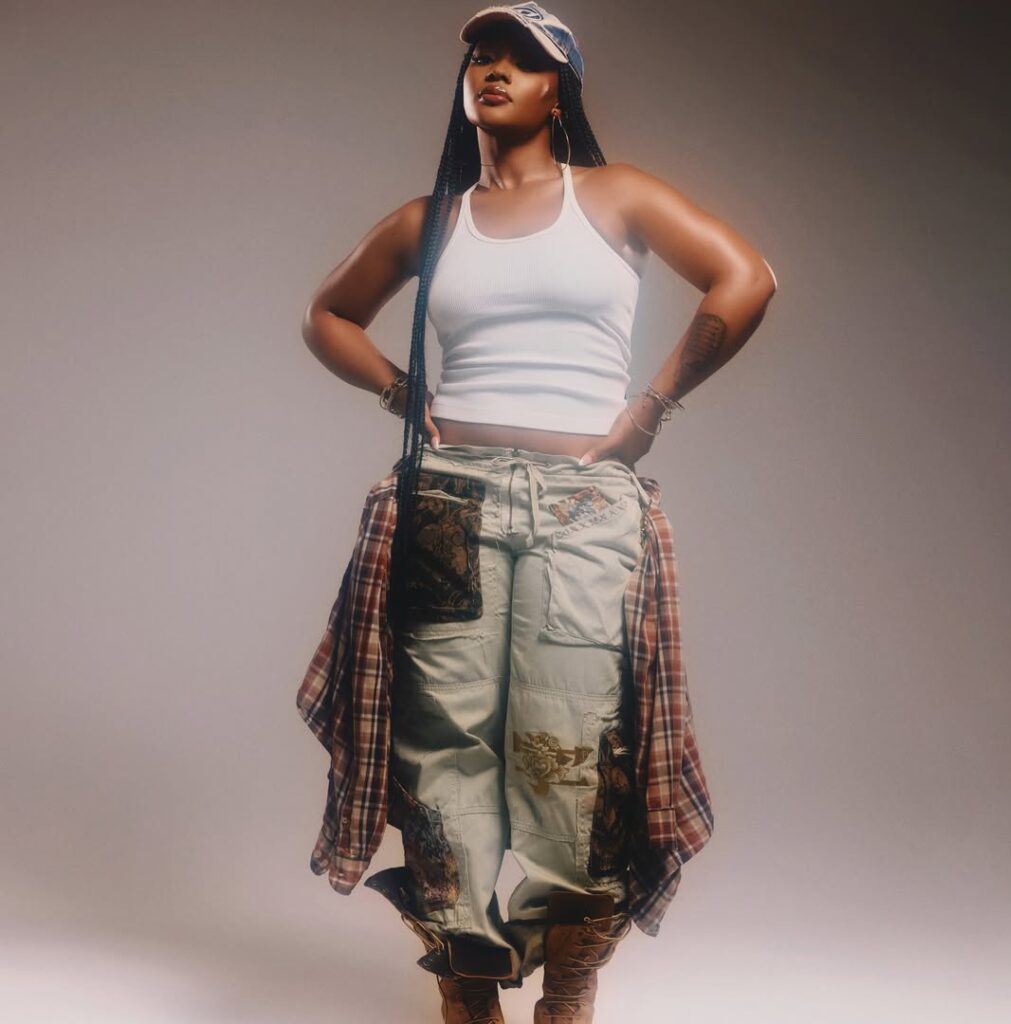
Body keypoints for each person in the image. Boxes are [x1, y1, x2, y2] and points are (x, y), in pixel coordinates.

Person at [299, 4, 777, 1022]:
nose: (496, 70)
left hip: (581, 502)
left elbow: (745, 279)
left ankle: (566, 989)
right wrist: (401, 392)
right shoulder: (432, 219)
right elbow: (327, 315)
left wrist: (649, 411)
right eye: (483, 55)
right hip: (449, 498)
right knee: (444, 748)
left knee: (574, 744)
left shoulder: (615, 194)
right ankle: (467, 989)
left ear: (561, 89)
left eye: (524, 59)